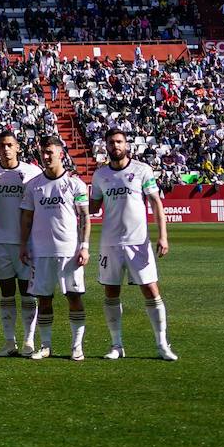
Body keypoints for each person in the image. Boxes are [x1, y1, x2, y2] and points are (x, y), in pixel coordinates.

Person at [90, 128, 176, 360]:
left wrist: (163, 236)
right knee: (111, 293)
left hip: (138, 242)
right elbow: (93, 208)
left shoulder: (142, 170)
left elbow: (156, 203)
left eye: (119, 142)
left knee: (151, 290)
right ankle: (116, 345)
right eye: (111, 142)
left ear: (127, 145)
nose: (115, 146)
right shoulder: (100, 175)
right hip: (110, 243)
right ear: (105, 147)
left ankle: (162, 345)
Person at [19, 134, 92, 361]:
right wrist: (23, 245)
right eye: (44, 152)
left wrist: (85, 247)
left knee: (74, 296)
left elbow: (85, 218)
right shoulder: (33, 186)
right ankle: (46, 345)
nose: (47, 156)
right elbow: (27, 218)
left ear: (61, 154)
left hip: (69, 252)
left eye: (51, 152)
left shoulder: (74, 184)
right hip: (41, 252)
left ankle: (77, 346)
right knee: (44, 299)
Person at [0, 131, 41, 355]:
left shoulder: (32, 172)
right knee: (6, 292)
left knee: (27, 292)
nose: (5, 149)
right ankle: (9, 341)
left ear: (18, 148)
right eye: (1, 145)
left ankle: (29, 340)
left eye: (9, 145)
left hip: (27, 243)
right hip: (0, 243)